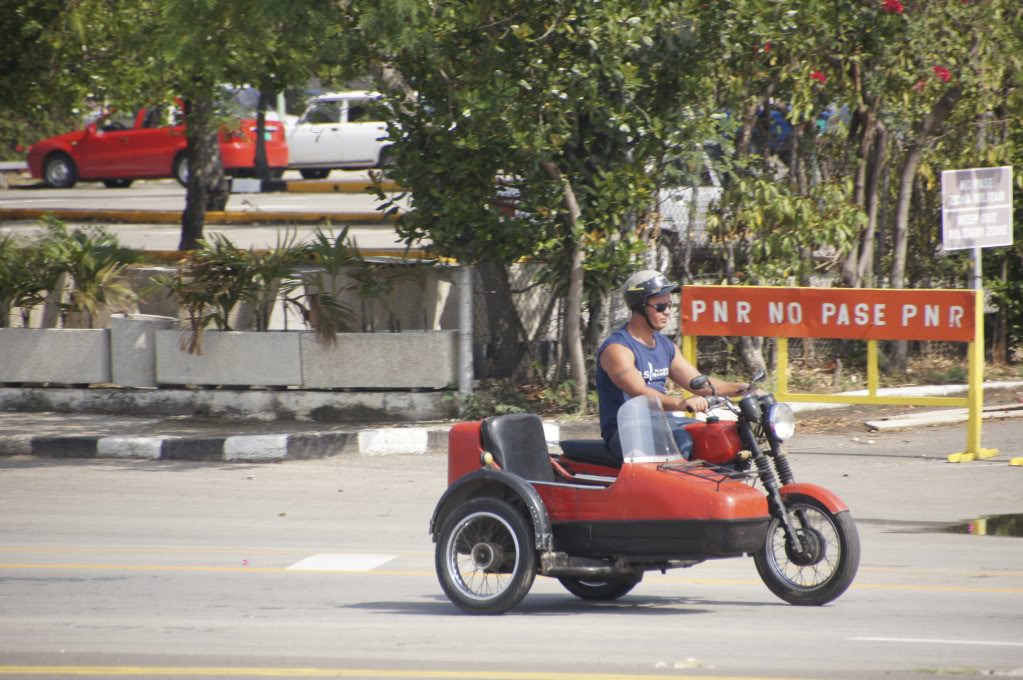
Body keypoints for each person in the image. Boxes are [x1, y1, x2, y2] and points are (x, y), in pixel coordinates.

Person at [595, 269, 749, 460]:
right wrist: (681, 403)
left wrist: (744, 389)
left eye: (669, 305)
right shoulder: (618, 349)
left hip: (662, 423)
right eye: (660, 306)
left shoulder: (665, 346)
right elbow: (639, 392)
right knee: (682, 440)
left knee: (719, 435)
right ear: (640, 307)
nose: (667, 311)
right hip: (627, 431)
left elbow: (698, 382)